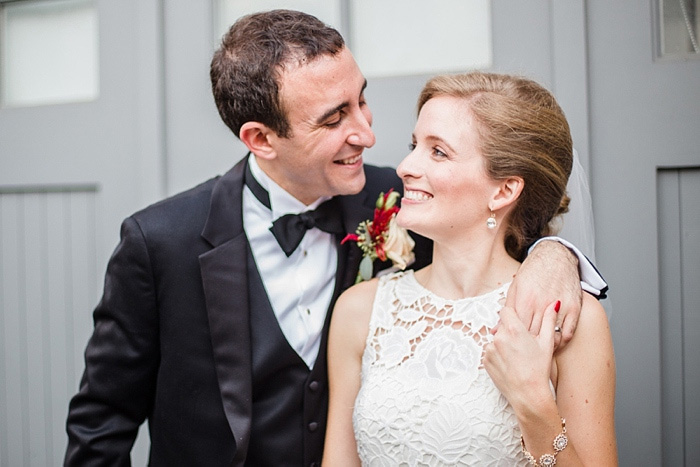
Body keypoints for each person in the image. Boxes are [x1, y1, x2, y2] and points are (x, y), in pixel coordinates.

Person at [64, 10, 605, 466]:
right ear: (261, 137)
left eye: (361, 99)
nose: (368, 133)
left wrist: (555, 255)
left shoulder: (407, 200)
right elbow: (100, 424)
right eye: (334, 118)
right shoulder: (160, 241)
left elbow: (507, 220)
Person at [323, 72, 617, 465]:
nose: (406, 166)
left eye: (438, 151)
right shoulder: (358, 311)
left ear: (504, 191)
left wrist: (533, 401)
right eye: (414, 145)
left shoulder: (568, 320)